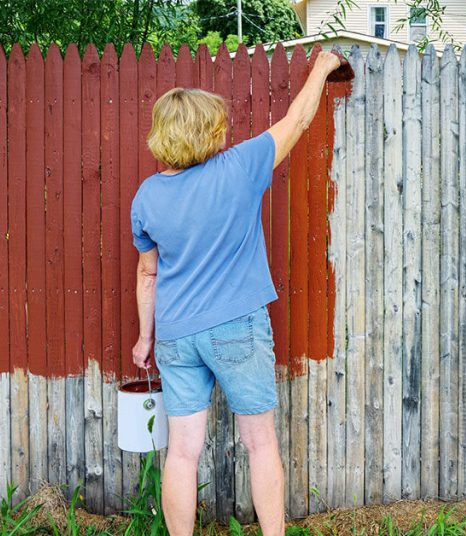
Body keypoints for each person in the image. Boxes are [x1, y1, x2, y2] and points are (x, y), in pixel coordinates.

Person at [129, 51, 342, 536]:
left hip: (176, 337)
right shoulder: (240, 167)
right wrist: (323, 66)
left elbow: (148, 274)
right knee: (260, 443)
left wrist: (146, 338)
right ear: (207, 132)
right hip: (236, 328)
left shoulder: (146, 197)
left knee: (182, 451)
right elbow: (299, 118)